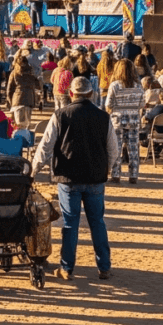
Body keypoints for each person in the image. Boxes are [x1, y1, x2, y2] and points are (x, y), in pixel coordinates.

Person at [31, 77, 119, 280]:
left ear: (71, 94)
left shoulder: (61, 115)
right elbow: (112, 149)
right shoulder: (103, 117)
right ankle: (104, 267)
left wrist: (33, 170)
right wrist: (105, 168)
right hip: (95, 178)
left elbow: (45, 147)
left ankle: (66, 268)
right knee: (97, 222)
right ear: (91, 94)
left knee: (70, 224)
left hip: (68, 178)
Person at [105, 60, 144, 184]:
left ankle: (116, 175)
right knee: (133, 149)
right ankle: (133, 175)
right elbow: (142, 104)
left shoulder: (115, 85)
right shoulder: (138, 86)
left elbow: (108, 104)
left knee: (116, 148)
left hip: (117, 120)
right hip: (133, 121)